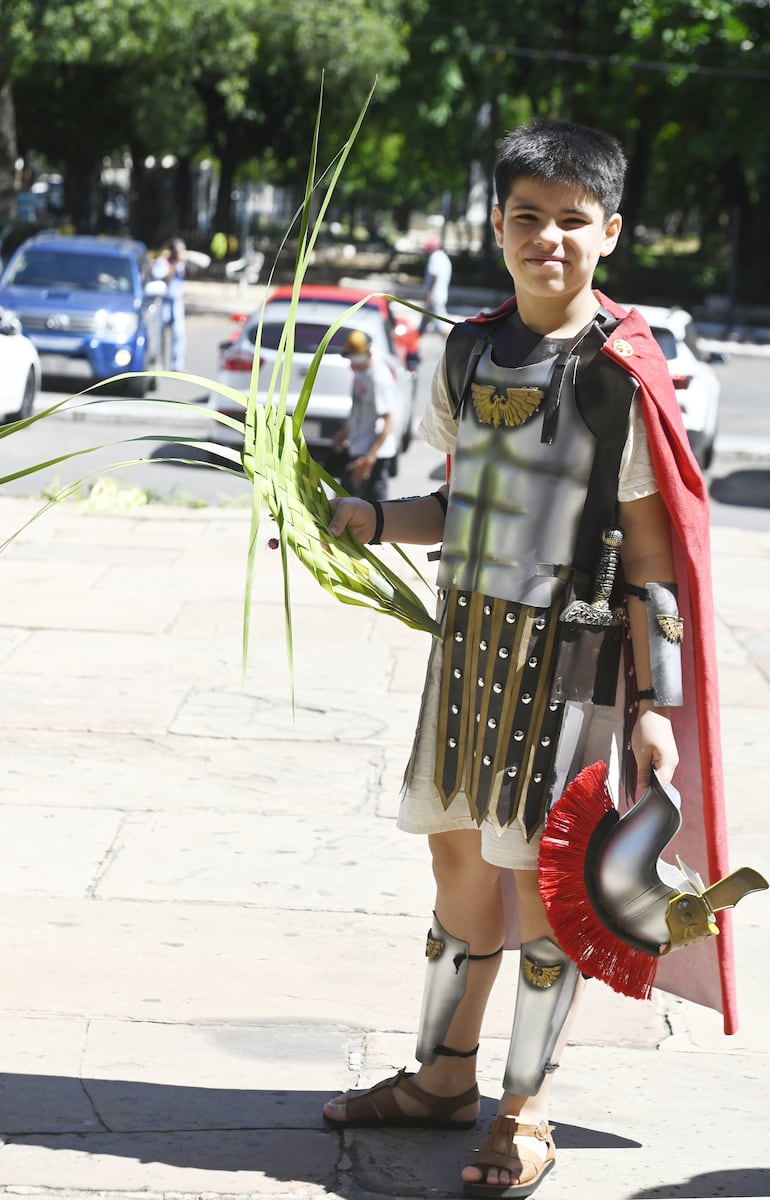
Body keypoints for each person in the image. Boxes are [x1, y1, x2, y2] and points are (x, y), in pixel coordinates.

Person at [322, 119, 741, 1197]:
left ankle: (524, 1109)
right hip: (464, 654)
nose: (545, 239)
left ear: (608, 231)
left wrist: (654, 704)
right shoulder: (463, 353)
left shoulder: (619, 377)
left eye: (568, 221)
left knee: (547, 886)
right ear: (496, 226)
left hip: (568, 667)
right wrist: (370, 518)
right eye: (524, 218)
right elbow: (462, 506)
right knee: (455, 863)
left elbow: (651, 557)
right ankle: (438, 1079)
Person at [333, 329, 398, 502]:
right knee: (348, 499)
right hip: (359, 446)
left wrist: (370, 457)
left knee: (376, 505)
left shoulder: (378, 378)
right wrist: (344, 431)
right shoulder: (360, 373)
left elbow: (389, 423)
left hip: (374, 453)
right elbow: (357, 408)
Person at [152, 239, 187, 371]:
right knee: (159, 334)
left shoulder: (182, 264)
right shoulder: (164, 262)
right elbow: (162, 278)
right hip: (164, 302)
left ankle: (176, 365)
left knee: (179, 334)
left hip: (177, 303)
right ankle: (157, 363)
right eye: (178, 251)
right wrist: (174, 265)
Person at [420, 235, 453, 336]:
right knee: (424, 323)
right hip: (439, 294)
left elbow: (435, 276)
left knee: (441, 326)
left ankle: (451, 349)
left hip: (435, 296)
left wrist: (429, 293)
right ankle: (413, 346)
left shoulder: (435, 257)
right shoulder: (442, 256)